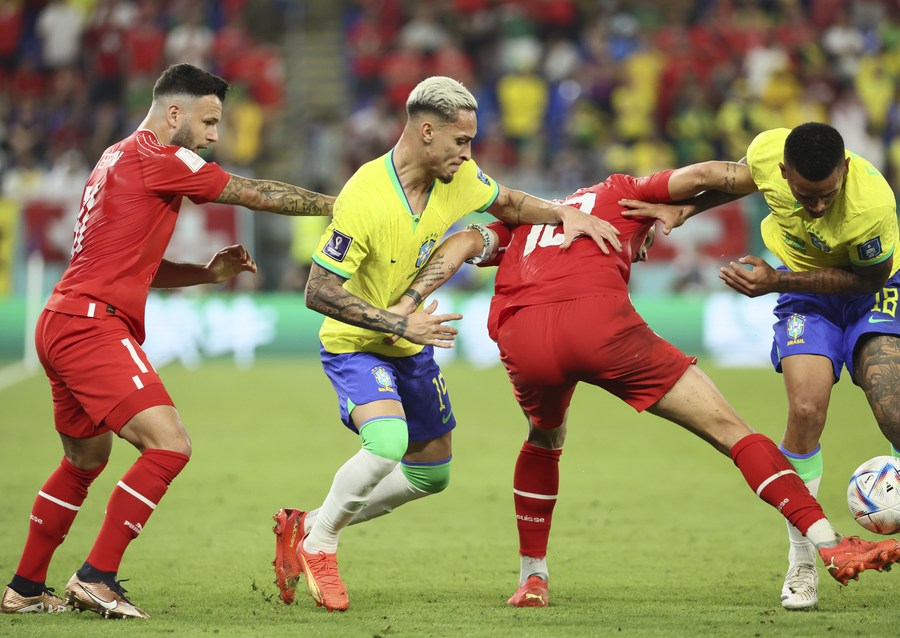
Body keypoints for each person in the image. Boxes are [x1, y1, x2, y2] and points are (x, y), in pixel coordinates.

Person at [388, 164, 900, 609]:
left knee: (544, 437)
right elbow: (702, 177)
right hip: (598, 325)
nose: (647, 250)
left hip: (522, 336)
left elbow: (459, 242)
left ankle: (531, 579)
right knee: (730, 429)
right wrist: (739, 181)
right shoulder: (621, 191)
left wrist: (406, 304)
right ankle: (829, 542)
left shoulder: (527, 217)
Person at [271, 75, 622, 612]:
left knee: (431, 473)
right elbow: (317, 290)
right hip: (356, 342)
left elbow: (506, 202)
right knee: (386, 442)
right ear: (427, 132)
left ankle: (307, 524)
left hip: (412, 342)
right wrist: (398, 324)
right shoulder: (365, 197)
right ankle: (321, 546)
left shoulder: (456, 177)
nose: (468, 153)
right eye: (462, 141)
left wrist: (561, 212)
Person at [0, 63, 334, 619]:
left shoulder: (115, 157)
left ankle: (24, 590)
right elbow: (254, 193)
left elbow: (131, 264)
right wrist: (338, 205)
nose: (212, 137)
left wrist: (205, 274)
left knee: (84, 461)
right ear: (173, 113)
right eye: (208, 121)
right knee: (169, 444)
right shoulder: (163, 156)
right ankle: (96, 578)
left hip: (60, 317)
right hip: (91, 325)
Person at [620, 122, 900, 611]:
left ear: (846, 171)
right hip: (801, 293)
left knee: (892, 407)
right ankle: (803, 562)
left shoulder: (871, 206)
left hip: (870, 288)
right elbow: (727, 178)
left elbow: (863, 278)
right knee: (807, 410)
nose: (816, 206)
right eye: (805, 195)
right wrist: (683, 206)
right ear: (785, 171)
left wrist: (776, 280)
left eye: (827, 194)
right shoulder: (771, 155)